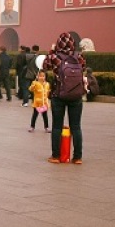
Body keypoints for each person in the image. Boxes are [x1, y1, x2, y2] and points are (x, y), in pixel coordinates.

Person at [44, 32, 85, 164]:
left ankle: (56, 156)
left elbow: (44, 66)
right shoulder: (78, 56)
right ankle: (77, 157)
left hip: (58, 95)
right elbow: (83, 68)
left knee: (57, 126)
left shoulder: (54, 56)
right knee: (76, 127)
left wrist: (51, 51)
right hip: (76, 95)